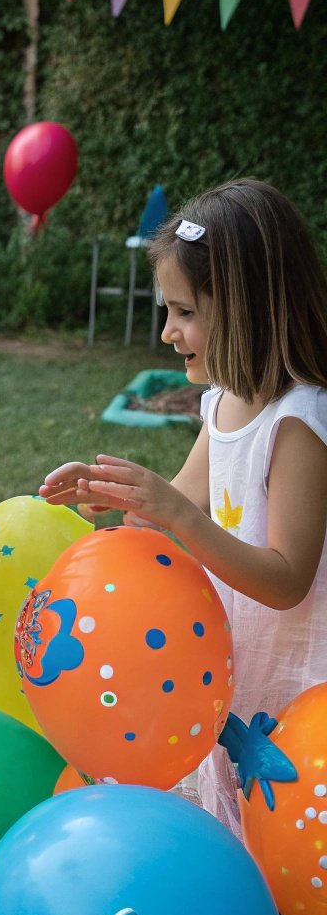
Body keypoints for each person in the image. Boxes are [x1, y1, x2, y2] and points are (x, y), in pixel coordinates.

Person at [40, 177, 327, 833]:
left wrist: (179, 517)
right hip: (239, 677)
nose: (167, 332)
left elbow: (286, 578)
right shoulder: (222, 404)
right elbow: (165, 514)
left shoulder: (299, 419)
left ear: (248, 308)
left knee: (288, 840)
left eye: (184, 312)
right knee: (239, 834)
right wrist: (109, 495)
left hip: (303, 693)